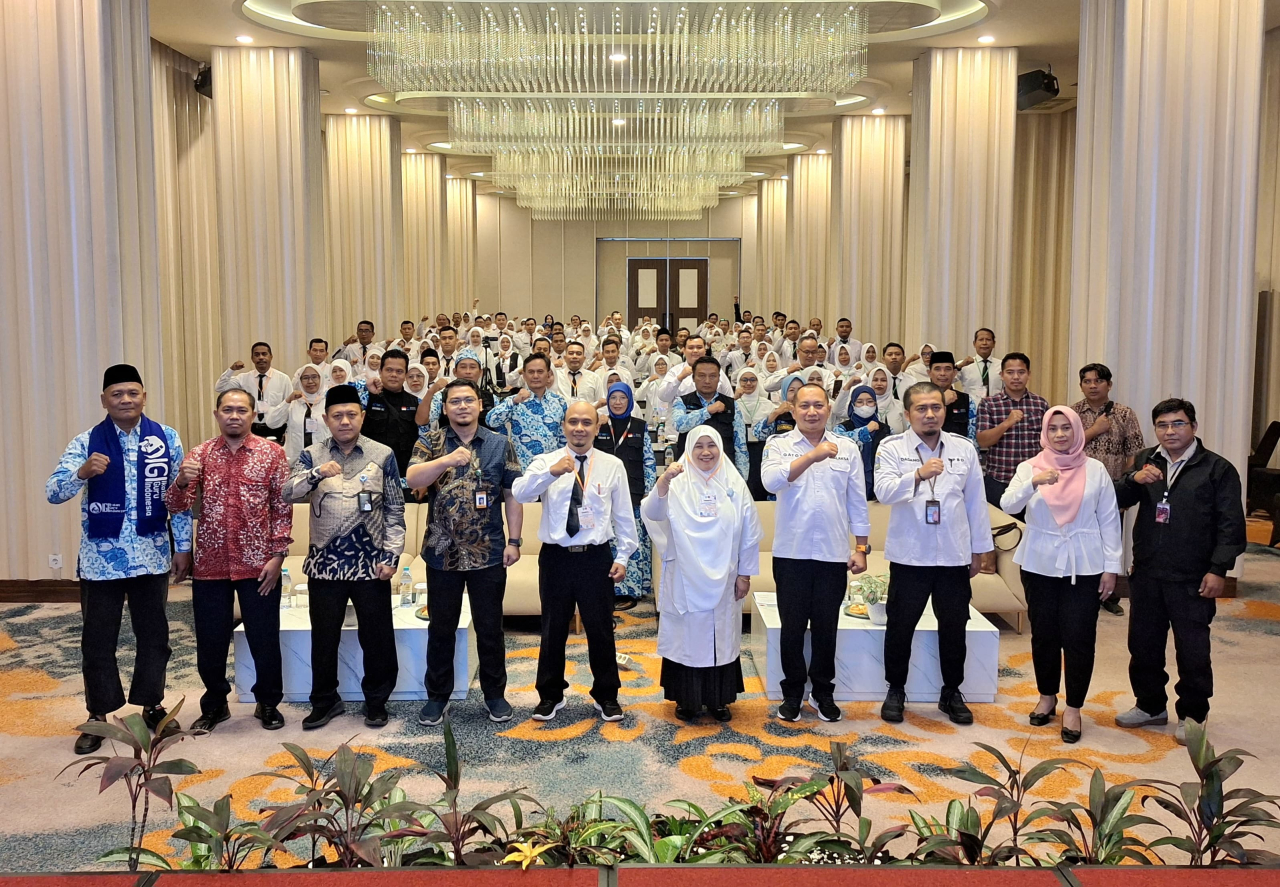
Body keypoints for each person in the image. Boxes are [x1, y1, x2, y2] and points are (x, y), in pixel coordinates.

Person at [47, 364, 192, 754]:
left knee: (155, 637)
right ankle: (97, 716)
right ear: (104, 400)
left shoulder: (167, 438)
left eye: (133, 393)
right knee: (97, 641)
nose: (126, 400)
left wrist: (183, 547)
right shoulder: (85, 442)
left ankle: (152, 705)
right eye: (117, 394)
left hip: (151, 555)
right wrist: (82, 472)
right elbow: (53, 492)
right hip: (100, 560)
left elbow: (180, 498)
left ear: (144, 396)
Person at [1113, 398, 1246, 745]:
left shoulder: (1217, 469)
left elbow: (1232, 526)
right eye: (1163, 425)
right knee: (1143, 645)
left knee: (1193, 650)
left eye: (1178, 424)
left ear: (1194, 427)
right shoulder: (1146, 460)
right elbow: (1117, 499)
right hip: (1147, 573)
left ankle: (1193, 715)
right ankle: (1150, 705)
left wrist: (1219, 569)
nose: (1170, 431)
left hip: (1193, 577)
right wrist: (1134, 479)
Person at [164, 389, 292, 733]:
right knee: (210, 640)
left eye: (241, 410)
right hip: (211, 563)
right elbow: (176, 505)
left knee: (264, 637)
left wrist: (278, 555)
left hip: (259, 563)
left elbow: (282, 508)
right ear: (217, 414)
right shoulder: (200, 455)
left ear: (252, 414)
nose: (234, 416)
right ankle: (215, 704)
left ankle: (267, 702)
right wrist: (180, 481)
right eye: (227, 410)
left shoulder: (272, 454)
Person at [282, 384, 405, 730]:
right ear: (326, 419)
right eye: (338, 415)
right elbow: (287, 492)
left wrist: (392, 555)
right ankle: (324, 701)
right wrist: (316, 473)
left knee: (377, 637)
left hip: (371, 564)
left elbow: (395, 509)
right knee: (324, 637)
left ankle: (376, 701)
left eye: (352, 414)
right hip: (325, 566)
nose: (345, 421)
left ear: (362, 417)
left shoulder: (383, 454)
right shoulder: (312, 454)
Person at [1000, 407, 1122, 743]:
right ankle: (1047, 696)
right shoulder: (1030, 468)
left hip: (1084, 563)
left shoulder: (1095, 470)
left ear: (1077, 431)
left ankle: (1074, 707)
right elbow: (1008, 504)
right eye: (1052, 428)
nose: (1059, 434)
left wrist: (1112, 568)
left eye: (1066, 428)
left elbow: (1110, 522)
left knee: (1079, 637)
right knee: (1044, 635)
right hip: (1040, 561)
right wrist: (1033, 483)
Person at [511, 402, 640, 723]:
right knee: (553, 629)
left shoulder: (612, 465)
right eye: (573, 422)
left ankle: (607, 695)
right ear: (564, 426)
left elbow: (624, 516)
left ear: (597, 428)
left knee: (601, 629)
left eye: (586, 422)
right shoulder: (546, 461)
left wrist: (623, 557)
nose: (579, 428)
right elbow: (519, 492)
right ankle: (550, 695)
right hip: (556, 558)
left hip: (596, 558)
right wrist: (550, 474)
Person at [874, 382, 993, 726]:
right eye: (922, 409)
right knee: (900, 625)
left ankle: (951, 691)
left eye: (936, 408)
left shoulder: (963, 448)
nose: (930, 414)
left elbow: (975, 502)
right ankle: (896, 689)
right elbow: (883, 492)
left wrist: (980, 550)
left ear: (944, 410)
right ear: (908, 413)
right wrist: (917, 475)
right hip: (910, 556)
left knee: (955, 626)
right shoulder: (892, 447)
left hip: (954, 555)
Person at [407, 379, 524, 726]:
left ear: (479, 405)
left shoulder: (500, 444)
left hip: (488, 553)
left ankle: (494, 695)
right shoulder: (430, 440)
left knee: (490, 628)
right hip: (441, 553)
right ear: (445, 408)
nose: (461, 406)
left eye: (468, 400)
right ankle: (437, 697)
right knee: (441, 628)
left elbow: (512, 494)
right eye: (454, 401)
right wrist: (444, 461)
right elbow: (413, 479)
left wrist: (515, 541)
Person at [762, 383, 871, 723]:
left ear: (828, 409)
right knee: (792, 629)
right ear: (792, 410)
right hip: (791, 553)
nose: (812, 411)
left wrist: (862, 547)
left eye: (818, 405)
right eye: (804, 406)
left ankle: (823, 693)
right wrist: (812, 455)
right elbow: (770, 482)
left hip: (832, 554)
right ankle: (792, 693)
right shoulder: (778, 444)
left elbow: (858, 501)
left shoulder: (848, 448)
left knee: (827, 628)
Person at [645, 427, 762, 722]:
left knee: (720, 637)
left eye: (712, 445)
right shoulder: (677, 481)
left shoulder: (733, 483)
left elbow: (749, 533)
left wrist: (745, 574)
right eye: (699, 446)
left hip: (726, 577)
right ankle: (687, 700)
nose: (706, 452)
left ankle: (718, 699)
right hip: (685, 575)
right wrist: (663, 483)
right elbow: (652, 513)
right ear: (689, 450)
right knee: (689, 637)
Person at [594, 382, 656, 608]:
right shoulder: (598, 424)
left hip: (634, 493)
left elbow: (649, 461)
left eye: (622, 398)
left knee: (631, 540)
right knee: (609, 540)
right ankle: (607, 588)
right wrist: (594, 420)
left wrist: (649, 493)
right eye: (613, 398)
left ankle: (630, 590)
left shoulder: (640, 426)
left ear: (630, 401)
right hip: (604, 494)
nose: (617, 402)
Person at [975, 353, 1049, 510]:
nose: (1016, 377)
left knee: (1031, 529)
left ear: (1028, 374)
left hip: (1032, 480)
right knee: (1000, 530)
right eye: (1010, 372)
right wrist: (1006, 423)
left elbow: (1048, 442)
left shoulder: (1040, 404)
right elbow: (983, 441)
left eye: (1021, 372)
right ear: (1001, 375)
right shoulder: (989, 404)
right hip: (999, 480)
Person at [485, 353, 569, 469]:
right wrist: (514, 401)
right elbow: (491, 420)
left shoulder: (559, 402)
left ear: (549, 374)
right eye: (531, 372)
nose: (535, 376)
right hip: (521, 470)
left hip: (551, 470)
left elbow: (563, 437)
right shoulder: (514, 400)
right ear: (524, 375)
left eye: (540, 372)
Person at [671, 357, 749, 478]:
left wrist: (741, 478)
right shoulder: (681, 401)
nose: (707, 381)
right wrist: (708, 411)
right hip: (689, 472)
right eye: (701, 376)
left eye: (712, 376)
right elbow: (679, 425)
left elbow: (740, 445)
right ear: (693, 378)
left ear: (719, 379)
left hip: (724, 471)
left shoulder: (731, 404)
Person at [1071, 363, 1146, 482]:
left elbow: (1135, 453)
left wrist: (1125, 481)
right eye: (1087, 382)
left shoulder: (1125, 413)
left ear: (1109, 385)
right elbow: (1066, 448)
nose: (1093, 386)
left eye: (1099, 381)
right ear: (1081, 386)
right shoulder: (1071, 413)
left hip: (1113, 485)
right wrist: (1095, 430)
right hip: (1077, 483)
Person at [215, 342, 292, 443]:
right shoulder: (243, 378)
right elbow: (220, 387)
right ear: (252, 358)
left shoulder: (283, 379)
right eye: (257, 355)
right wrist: (231, 370)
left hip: (276, 430)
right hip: (251, 429)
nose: (260, 357)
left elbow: (290, 407)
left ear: (271, 357)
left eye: (264, 354)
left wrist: (287, 432)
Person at [362, 349, 420, 478]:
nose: (394, 374)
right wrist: (369, 390)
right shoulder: (366, 399)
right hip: (371, 473)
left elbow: (422, 440)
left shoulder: (416, 403)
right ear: (380, 371)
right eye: (389, 370)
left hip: (404, 475)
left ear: (405, 375)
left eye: (399, 371)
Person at [263, 364, 331, 464]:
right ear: (300, 380)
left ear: (321, 379)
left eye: (314, 377)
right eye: (305, 378)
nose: (310, 381)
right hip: (295, 462)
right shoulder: (293, 403)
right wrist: (287, 401)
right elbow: (272, 423)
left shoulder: (329, 402)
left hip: (323, 463)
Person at [833, 384, 890, 500]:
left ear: (875, 404)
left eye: (869, 401)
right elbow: (840, 442)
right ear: (852, 405)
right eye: (859, 402)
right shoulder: (841, 428)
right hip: (848, 488)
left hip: (878, 490)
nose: (865, 406)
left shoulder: (886, 430)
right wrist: (865, 430)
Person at [657, 335, 734, 405]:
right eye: (691, 348)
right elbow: (663, 397)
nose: (695, 351)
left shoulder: (716, 371)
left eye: (699, 347)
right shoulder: (675, 371)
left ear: (705, 350)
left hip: (714, 417)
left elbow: (729, 397)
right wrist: (680, 378)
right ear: (684, 350)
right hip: (682, 416)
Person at [734, 368, 772, 501]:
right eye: (744, 380)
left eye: (752, 379)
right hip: (739, 450)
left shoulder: (768, 405)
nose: (748, 383)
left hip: (761, 451)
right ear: (738, 382)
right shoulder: (733, 403)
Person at [928, 351, 978, 443]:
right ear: (929, 373)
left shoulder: (967, 400)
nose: (942, 373)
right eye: (937, 369)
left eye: (947, 369)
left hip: (959, 455)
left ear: (954, 373)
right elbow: (915, 431)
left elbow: (972, 438)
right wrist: (941, 402)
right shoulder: (919, 399)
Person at [753, 372, 804, 441]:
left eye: (800, 390)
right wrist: (776, 413)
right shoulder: (779, 415)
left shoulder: (811, 413)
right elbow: (759, 434)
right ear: (784, 393)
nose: (796, 394)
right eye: (792, 390)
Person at [957, 328, 1000, 402]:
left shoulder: (1002, 365)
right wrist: (959, 366)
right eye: (981, 340)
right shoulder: (963, 365)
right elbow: (948, 380)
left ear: (994, 344)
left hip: (996, 409)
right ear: (974, 343)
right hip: (971, 410)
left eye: (988, 340)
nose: (984, 343)